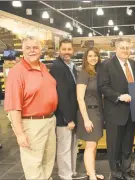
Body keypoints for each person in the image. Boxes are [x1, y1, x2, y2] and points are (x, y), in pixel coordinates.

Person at [4, 36, 58, 180]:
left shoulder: (43, 67)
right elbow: (13, 106)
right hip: (31, 124)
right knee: (33, 167)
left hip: (49, 120)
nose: (32, 51)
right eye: (28, 48)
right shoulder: (17, 72)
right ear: (22, 50)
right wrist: (19, 133)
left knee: (48, 162)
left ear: (41, 50)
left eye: (35, 47)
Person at [98, 38, 135, 180]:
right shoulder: (106, 65)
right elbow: (103, 86)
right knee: (114, 145)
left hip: (131, 112)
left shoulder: (133, 64)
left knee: (128, 143)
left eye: (128, 47)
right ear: (116, 49)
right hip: (115, 112)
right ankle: (116, 172)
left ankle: (126, 169)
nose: (125, 50)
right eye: (122, 47)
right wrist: (119, 96)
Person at [49, 39, 85, 180]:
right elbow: (61, 94)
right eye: (64, 49)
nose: (67, 52)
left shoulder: (71, 65)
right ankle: (65, 175)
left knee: (73, 146)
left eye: (69, 49)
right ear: (59, 50)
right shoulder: (57, 66)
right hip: (64, 116)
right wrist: (68, 118)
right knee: (64, 147)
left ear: (73, 50)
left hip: (73, 113)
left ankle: (72, 172)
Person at [76, 47, 104, 180]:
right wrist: (86, 119)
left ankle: (90, 171)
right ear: (86, 58)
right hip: (89, 112)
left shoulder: (97, 72)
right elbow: (80, 98)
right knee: (90, 145)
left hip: (98, 112)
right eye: (90, 56)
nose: (93, 58)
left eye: (95, 56)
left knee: (94, 145)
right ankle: (92, 176)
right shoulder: (84, 73)